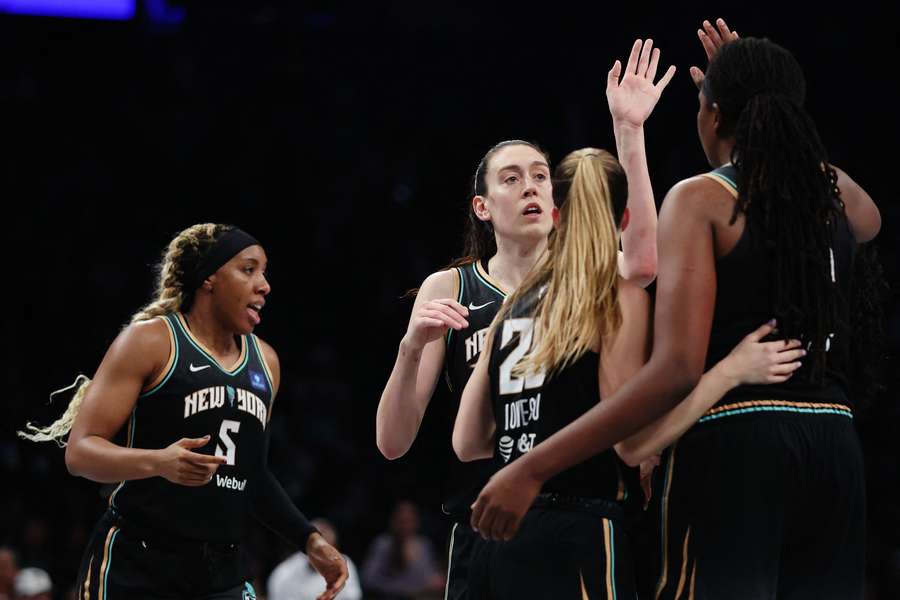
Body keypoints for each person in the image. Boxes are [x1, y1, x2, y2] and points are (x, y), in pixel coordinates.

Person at [467, 19, 882, 600]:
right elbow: (869, 219)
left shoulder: (701, 197)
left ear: (712, 115)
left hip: (736, 440)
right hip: (836, 445)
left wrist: (532, 466)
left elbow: (677, 371)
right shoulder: (832, 193)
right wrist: (764, 88)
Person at [375, 38, 673, 600]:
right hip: (481, 532)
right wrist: (411, 347)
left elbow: (643, 261)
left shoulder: (587, 277)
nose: (530, 185)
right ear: (482, 207)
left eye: (540, 176)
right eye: (511, 178)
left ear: (557, 202)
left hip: (574, 514)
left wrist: (629, 133)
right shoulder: (451, 287)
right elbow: (393, 443)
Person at [19, 224, 348, 600]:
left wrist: (308, 539)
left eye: (265, 272)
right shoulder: (151, 342)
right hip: (138, 567)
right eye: (249, 269)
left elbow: (252, 476)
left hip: (221, 572)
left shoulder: (266, 362)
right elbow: (79, 453)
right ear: (209, 278)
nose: (264, 285)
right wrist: (159, 462)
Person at [360, 500, 445, 600]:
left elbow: (430, 578)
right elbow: (368, 579)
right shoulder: (383, 544)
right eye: (401, 521)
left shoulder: (424, 545)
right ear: (393, 521)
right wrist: (406, 590)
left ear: (416, 522)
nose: (405, 526)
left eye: (409, 520)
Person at [268, 518, 362, 600]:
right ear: (309, 547)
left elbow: (352, 596)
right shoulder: (284, 572)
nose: (325, 557)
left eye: (330, 550)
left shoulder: (344, 564)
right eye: (321, 551)